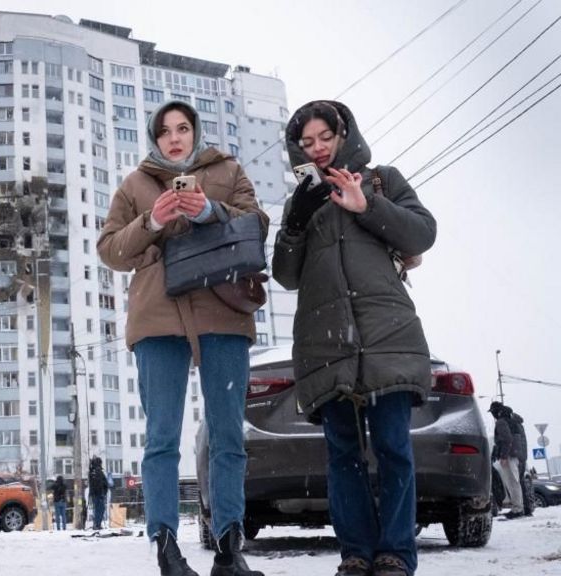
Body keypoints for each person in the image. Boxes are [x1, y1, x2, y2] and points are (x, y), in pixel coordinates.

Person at [98, 99, 267, 576]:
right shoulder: (135, 184)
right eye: (165, 131)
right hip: (158, 318)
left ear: (195, 132)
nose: (174, 138)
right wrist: (152, 221)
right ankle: (167, 550)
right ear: (155, 139)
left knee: (228, 435)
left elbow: (257, 224)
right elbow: (110, 250)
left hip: (223, 310)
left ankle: (229, 549)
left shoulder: (229, 170)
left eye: (183, 128)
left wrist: (210, 210)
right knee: (162, 438)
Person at [272, 100, 437, 576]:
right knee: (342, 454)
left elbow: (422, 234)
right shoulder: (299, 200)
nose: (318, 148)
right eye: (307, 142)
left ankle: (396, 553)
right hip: (325, 343)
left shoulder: (383, 180)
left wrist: (368, 207)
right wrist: (296, 224)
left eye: (326, 137)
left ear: (344, 134)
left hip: (388, 335)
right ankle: (357, 554)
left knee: (393, 448)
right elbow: (286, 276)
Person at [490, 401, 524, 518]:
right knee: (515, 482)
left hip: (509, 455)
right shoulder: (512, 420)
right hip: (516, 454)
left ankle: (517, 509)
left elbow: (507, 439)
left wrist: (504, 456)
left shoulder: (501, 422)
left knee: (512, 482)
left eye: (492, 412)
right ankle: (518, 507)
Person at [88, 456, 109, 530]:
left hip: (94, 494)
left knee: (96, 509)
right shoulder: (99, 471)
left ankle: (96, 524)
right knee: (100, 509)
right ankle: (97, 524)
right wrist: (104, 493)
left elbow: (91, 484)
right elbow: (104, 483)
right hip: (99, 494)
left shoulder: (91, 472)